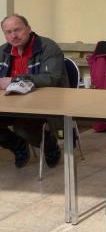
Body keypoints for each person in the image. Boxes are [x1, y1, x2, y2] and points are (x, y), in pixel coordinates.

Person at [0, 14, 68, 168]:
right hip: (11, 103)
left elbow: (51, 78)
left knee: (22, 127)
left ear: (28, 29)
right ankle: (16, 144)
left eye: (17, 30)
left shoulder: (48, 47)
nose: (13, 35)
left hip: (44, 104)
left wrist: (13, 80)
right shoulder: (3, 51)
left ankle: (50, 146)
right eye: (8, 32)